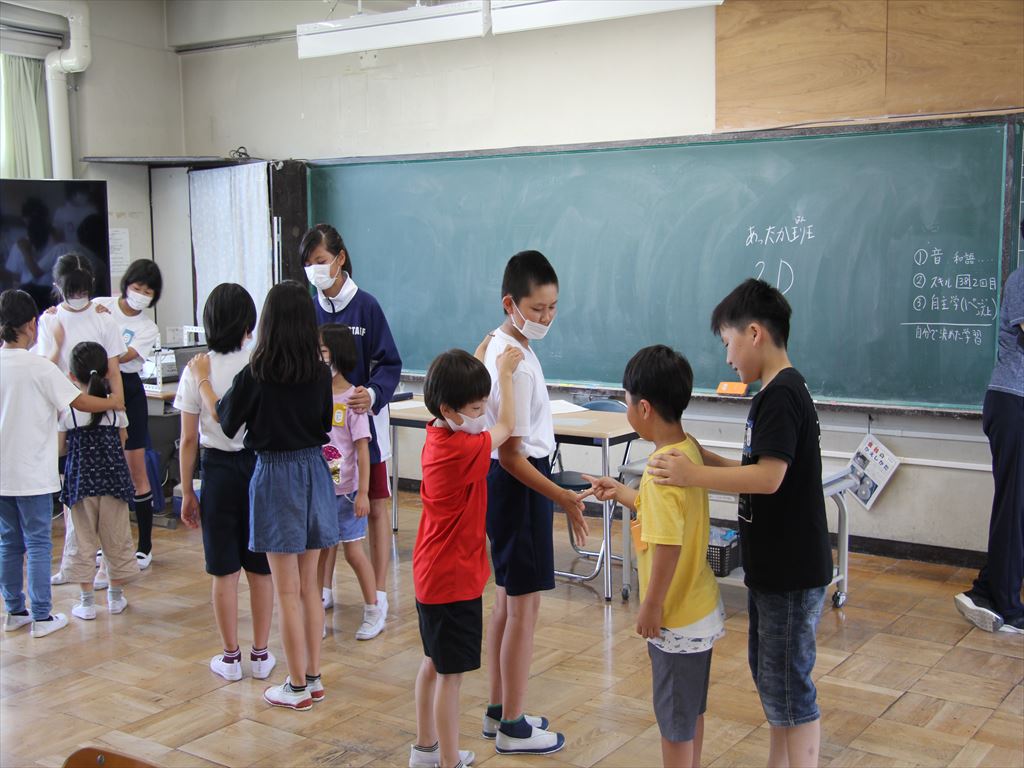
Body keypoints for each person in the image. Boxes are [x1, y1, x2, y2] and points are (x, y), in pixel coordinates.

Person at [647, 278, 832, 768]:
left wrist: (692, 474)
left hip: (791, 572)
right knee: (774, 681)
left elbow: (768, 479)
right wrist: (703, 457)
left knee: (789, 687)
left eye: (728, 342)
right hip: (777, 570)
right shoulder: (775, 392)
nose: (727, 357)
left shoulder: (781, 395)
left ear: (754, 333)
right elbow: (757, 469)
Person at [198, 281, 338, 711]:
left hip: (276, 475)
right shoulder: (320, 372)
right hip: (314, 471)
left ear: (268, 323)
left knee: (287, 591)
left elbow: (225, 420)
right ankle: (312, 678)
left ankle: (295, 687)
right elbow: (324, 423)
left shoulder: (257, 372)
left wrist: (203, 383)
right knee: (310, 587)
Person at [582, 346, 724, 768]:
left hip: (675, 618)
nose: (627, 408)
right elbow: (665, 516)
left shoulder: (660, 470)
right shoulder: (685, 450)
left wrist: (652, 605)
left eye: (627, 401)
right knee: (690, 713)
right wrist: (622, 492)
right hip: (699, 609)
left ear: (643, 408)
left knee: (674, 724)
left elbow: (667, 545)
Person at [480, 250, 589, 755]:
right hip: (522, 485)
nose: (547, 317)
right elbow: (511, 455)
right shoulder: (516, 363)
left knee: (507, 601)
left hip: (511, 487)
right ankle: (513, 726)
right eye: (537, 309)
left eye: (553, 307)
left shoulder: (499, 344)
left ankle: (499, 709)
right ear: (511, 303)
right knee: (523, 609)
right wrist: (562, 495)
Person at [410, 346, 522, 768]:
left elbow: (472, 404)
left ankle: (425, 749)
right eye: (476, 408)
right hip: (452, 581)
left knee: (433, 664)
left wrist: (481, 355)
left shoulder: (438, 433)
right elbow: (507, 426)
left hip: (432, 575)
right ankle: (448, 760)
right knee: (450, 677)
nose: (481, 414)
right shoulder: (462, 449)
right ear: (448, 409)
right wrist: (505, 373)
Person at [0, 290, 121, 638]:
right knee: (38, 543)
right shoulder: (40, 368)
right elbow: (80, 402)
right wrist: (114, 402)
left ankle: (14, 611)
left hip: (3, 474)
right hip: (33, 475)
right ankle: (41, 616)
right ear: (30, 325)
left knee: (9, 543)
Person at [301, 224, 401, 620]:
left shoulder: (366, 306)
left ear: (340, 259)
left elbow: (390, 363)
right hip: (324, 436)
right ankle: (323, 589)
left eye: (321, 261)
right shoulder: (310, 309)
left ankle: (378, 591)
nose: (315, 269)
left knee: (373, 506)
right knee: (324, 507)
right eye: (309, 264)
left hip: (364, 427)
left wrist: (372, 394)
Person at [178, 284, 276, 682]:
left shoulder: (196, 368)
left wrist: (187, 490)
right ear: (248, 324)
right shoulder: (259, 362)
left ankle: (230, 658)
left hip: (216, 472)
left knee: (223, 571)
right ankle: (261, 655)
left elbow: (187, 439)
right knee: (261, 568)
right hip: (257, 467)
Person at [38, 253, 127, 587]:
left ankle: (106, 568)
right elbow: (45, 368)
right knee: (73, 497)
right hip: (66, 414)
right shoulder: (50, 320)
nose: (77, 296)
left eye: (82, 289)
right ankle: (77, 565)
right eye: (71, 289)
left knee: (106, 502)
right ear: (58, 287)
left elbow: (114, 371)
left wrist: (118, 407)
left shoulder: (104, 318)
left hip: (101, 408)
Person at [954, 258, 1023, 634]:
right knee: (1014, 507)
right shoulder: (1022, 278)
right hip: (1013, 402)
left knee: (1018, 508)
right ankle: (1006, 605)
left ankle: (986, 590)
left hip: (1017, 403)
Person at [58, 341, 140, 620]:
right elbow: (123, 440)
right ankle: (115, 597)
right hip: (114, 482)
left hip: (80, 485)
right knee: (115, 537)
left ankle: (86, 602)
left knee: (81, 540)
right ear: (106, 373)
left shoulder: (68, 412)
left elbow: (60, 449)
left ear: (72, 376)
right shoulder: (116, 409)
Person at [317, 322, 384, 641]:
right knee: (320, 552)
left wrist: (363, 494)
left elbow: (362, 450)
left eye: (323, 351)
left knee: (353, 553)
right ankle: (315, 612)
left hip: (348, 493)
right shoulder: (315, 394)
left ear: (338, 354)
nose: (318, 358)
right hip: (321, 492)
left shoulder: (353, 399)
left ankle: (373, 609)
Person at [95, 259, 163, 568]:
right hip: (97, 385)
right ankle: (104, 543)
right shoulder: (101, 305)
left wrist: (103, 339)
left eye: (148, 292)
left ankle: (144, 546)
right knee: (102, 470)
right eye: (137, 288)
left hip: (129, 388)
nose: (141, 295)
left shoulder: (147, 328)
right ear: (126, 285)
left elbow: (123, 357)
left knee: (136, 469)